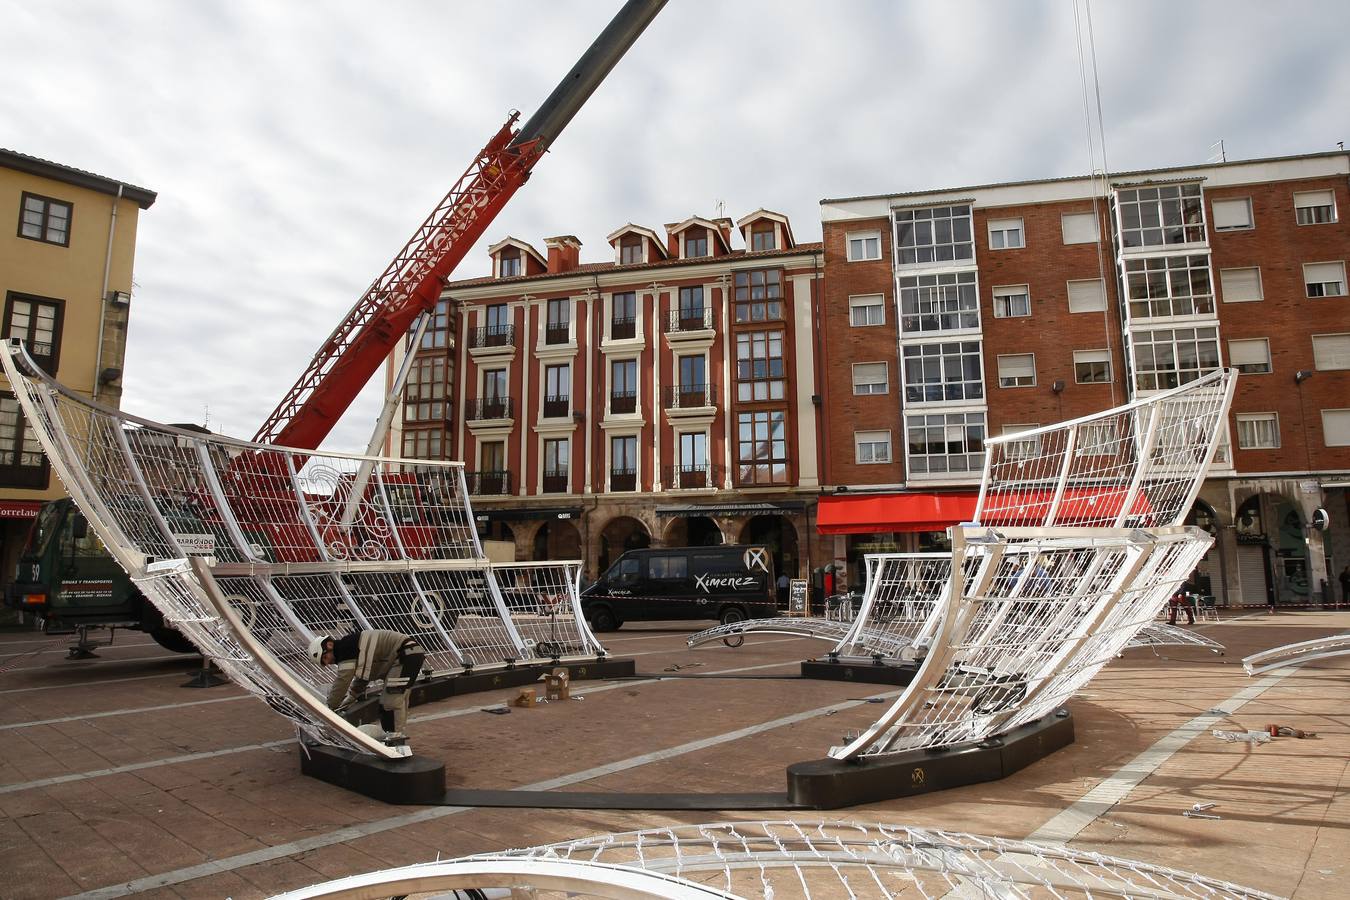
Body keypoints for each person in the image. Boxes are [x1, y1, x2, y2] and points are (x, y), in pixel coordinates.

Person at [309, 629, 425, 746]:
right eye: (324, 663)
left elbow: (342, 681)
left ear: (329, 645)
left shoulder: (344, 649)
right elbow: (365, 674)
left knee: (390, 702)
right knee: (397, 699)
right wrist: (352, 696)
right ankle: (395, 738)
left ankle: (394, 742)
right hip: (409, 655)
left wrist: (329, 707)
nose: (328, 662)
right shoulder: (351, 646)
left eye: (324, 658)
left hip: (404, 656)